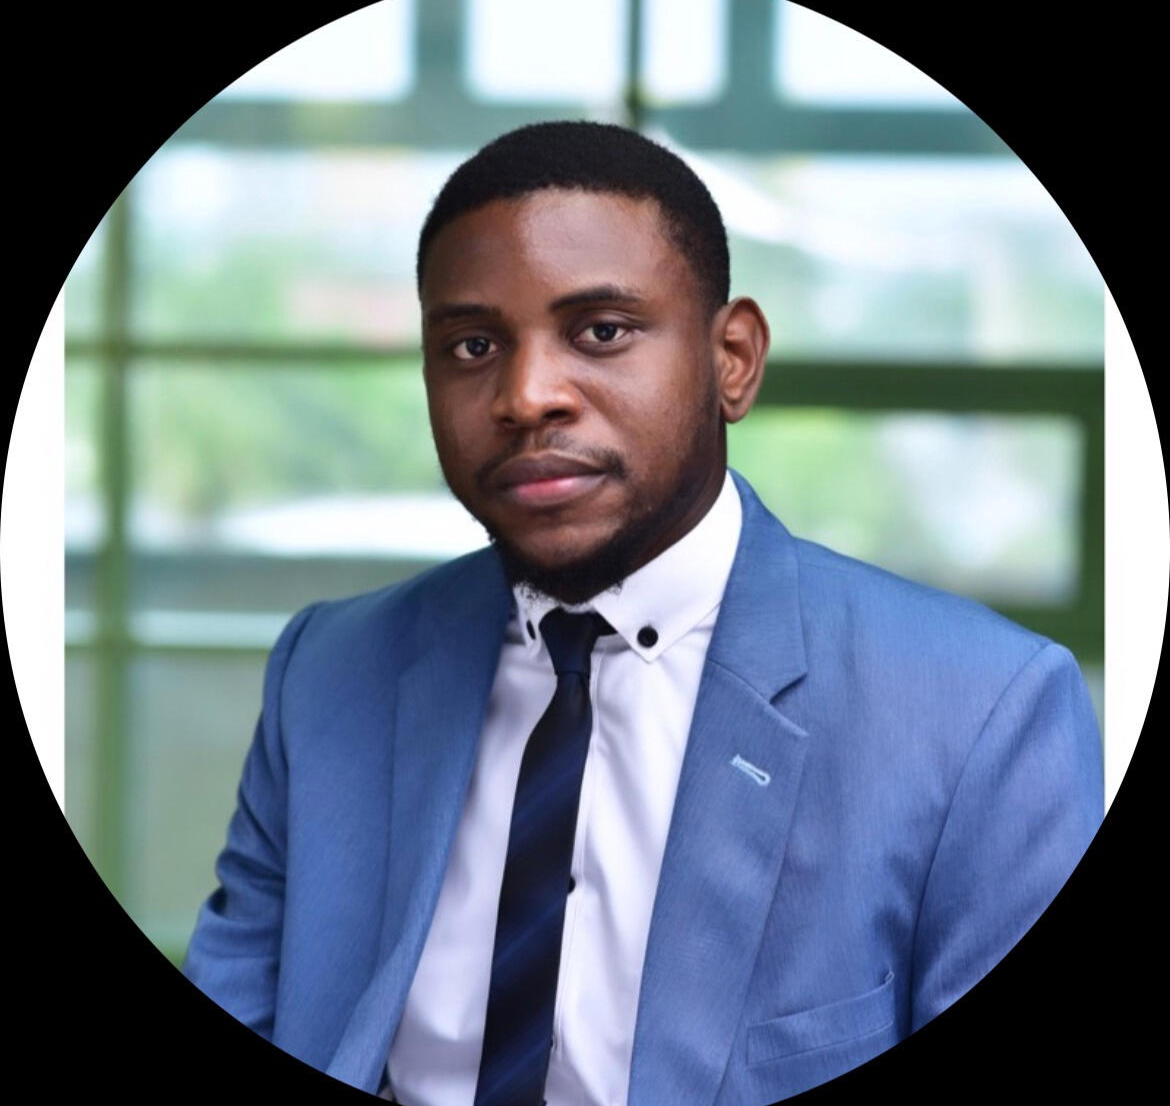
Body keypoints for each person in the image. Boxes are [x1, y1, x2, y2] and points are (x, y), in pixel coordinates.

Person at [182, 121, 1103, 1106]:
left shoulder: (981, 714)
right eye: (472, 345)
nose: (527, 396)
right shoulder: (328, 670)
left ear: (733, 359)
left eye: (601, 332)